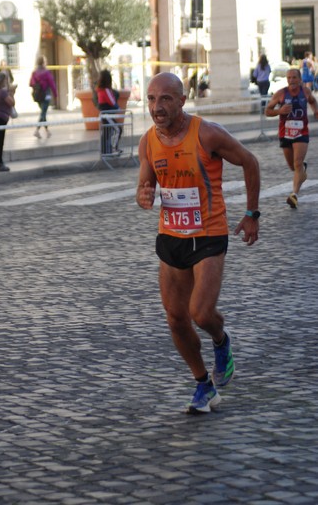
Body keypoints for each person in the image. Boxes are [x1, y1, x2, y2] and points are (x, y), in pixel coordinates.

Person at [136, 72, 260, 414]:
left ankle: (221, 340)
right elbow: (144, 186)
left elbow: (250, 161)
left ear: (181, 100)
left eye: (164, 99)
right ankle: (203, 384)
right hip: (171, 236)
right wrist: (143, 195)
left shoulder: (206, 133)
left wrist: (252, 213)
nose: (157, 107)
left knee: (201, 313)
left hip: (208, 233)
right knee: (176, 318)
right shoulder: (148, 141)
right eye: (151, 99)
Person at [265, 67, 318, 209]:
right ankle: (302, 173)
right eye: (289, 78)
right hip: (285, 133)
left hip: (301, 132)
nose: (291, 80)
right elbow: (267, 111)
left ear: (300, 79)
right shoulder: (281, 94)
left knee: (297, 163)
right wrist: (279, 111)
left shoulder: (305, 92)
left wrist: (315, 111)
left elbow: (312, 101)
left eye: (294, 77)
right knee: (292, 167)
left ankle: (294, 195)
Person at [94, 69, 122, 155]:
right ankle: (113, 149)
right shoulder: (105, 90)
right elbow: (112, 101)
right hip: (107, 115)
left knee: (107, 132)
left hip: (105, 114)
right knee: (118, 129)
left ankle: (106, 150)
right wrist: (118, 109)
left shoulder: (99, 90)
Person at [29, 55, 57, 139]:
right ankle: (37, 130)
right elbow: (52, 84)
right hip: (46, 94)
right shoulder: (47, 72)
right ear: (44, 62)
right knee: (43, 113)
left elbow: (30, 83)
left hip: (38, 95)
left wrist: (37, 85)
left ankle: (47, 131)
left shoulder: (34, 72)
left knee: (43, 113)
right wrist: (55, 95)